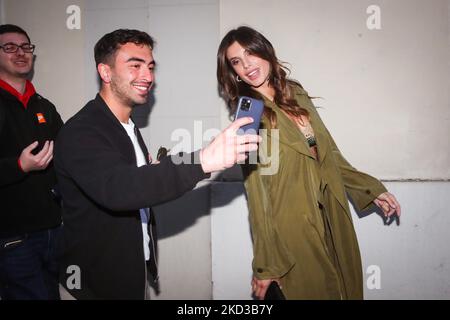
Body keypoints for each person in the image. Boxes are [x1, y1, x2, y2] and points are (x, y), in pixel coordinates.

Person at [54, 29, 260, 300]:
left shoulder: (126, 127)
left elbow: (139, 181)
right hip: (91, 288)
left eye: (150, 66)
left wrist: (191, 159)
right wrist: (204, 160)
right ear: (105, 73)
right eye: (135, 66)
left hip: (130, 278)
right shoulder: (81, 131)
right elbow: (121, 189)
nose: (148, 76)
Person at [216, 26, 401, 300]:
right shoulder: (248, 116)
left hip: (331, 211)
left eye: (250, 53)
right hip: (292, 227)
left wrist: (370, 189)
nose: (246, 65)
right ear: (232, 71)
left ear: (265, 51)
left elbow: (328, 154)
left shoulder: (295, 93)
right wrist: (266, 264)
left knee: (343, 289)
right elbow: (256, 193)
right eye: (236, 61)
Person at [0, 24, 63, 300]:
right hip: (12, 238)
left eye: (26, 47)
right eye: (10, 47)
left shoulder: (43, 106)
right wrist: (20, 166)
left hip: (52, 231)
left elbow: (68, 152)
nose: (21, 53)